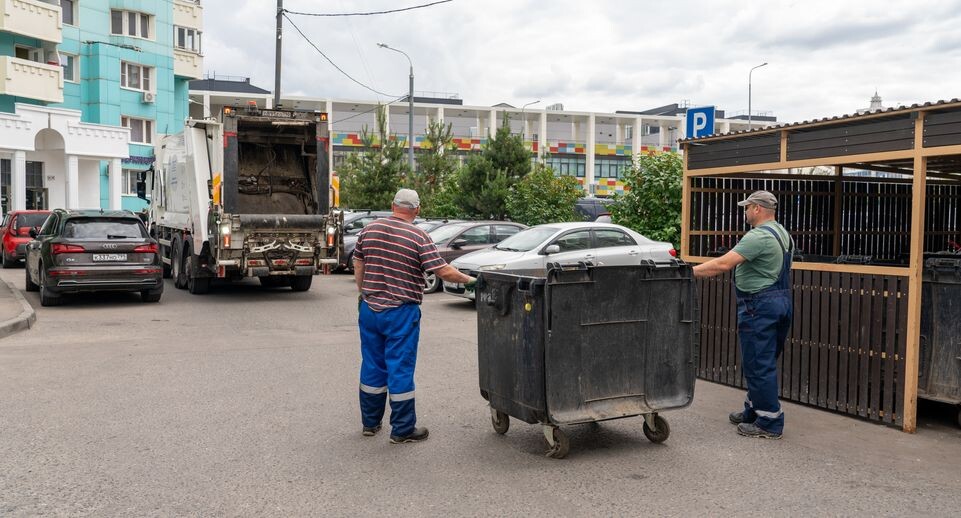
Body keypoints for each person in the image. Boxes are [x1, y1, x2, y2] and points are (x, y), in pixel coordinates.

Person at [352, 188, 476, 444]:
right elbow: (441, 270)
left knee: (372, 365)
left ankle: (370, 423)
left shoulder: (370, 229)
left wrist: (363, 293)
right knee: (399, 367)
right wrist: (471, 281)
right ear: (417, 210)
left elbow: (358, 262)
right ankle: (402, 429)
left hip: (369, 309)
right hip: (400, 312)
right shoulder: (418, 236)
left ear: (392, 205)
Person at [692, 190, 793, 439]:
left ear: (757, 208)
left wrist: (686, 272)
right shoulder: (782, 232)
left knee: (758, 364)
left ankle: (769, 422)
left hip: (758, 306)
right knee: (761, 361)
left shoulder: (758, 236)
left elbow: (722, 264)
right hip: (779, 301)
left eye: (747, 207)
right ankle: (753, 410)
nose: (745, 212)